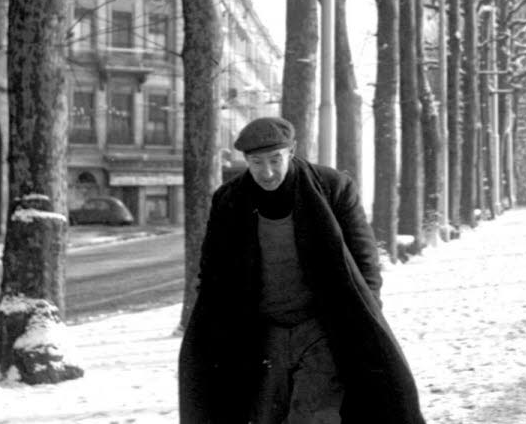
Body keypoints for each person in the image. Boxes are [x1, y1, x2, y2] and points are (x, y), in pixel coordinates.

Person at [179, 116, 425, 424]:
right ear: (246, 161)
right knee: (261, 415)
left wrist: (364, 316)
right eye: (256, 163)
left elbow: (365, 262)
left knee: (313, 416)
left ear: (291, 151)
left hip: (320, 329)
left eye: (275, 160)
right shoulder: (229, 200)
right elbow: (212, 272)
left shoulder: (332, 188)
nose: (267, 172)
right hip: (261, 333)